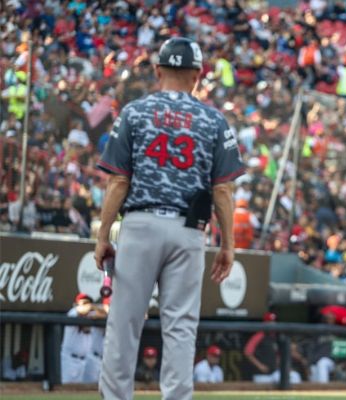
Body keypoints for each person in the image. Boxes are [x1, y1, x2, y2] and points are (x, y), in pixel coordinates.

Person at [94, 37, 246, 400]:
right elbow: (223, 191)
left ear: (158, 70)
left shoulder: (134, 112)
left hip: (140, 226)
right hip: (188, 232)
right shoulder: (213, 118)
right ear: (197, 75)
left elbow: (118, 181)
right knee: (180, 326)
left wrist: (102, 235)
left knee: (124, 322)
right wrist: (228, 244)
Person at [60, 293, 95, 383]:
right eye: (83, 302)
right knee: (65, 391)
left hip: (84, 361)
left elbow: (107, 313)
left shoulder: (92, 315)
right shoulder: (73, 312)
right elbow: (81, 310)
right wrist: (90, 307)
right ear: (76, 304)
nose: (86, 305)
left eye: (88, 302)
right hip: (70, 360)